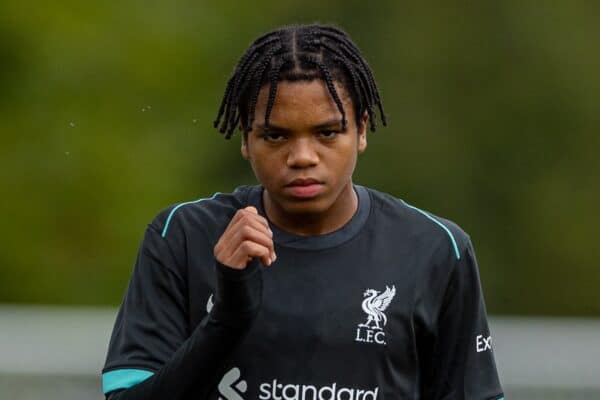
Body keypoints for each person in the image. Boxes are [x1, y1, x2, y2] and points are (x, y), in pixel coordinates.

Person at [101, 23, 504, 400]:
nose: (302, 157)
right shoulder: (183, 236)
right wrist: (227, 318)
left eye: (327, 133)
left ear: (361, 131)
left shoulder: (436, 249)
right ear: (246, 139)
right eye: (275, 135)